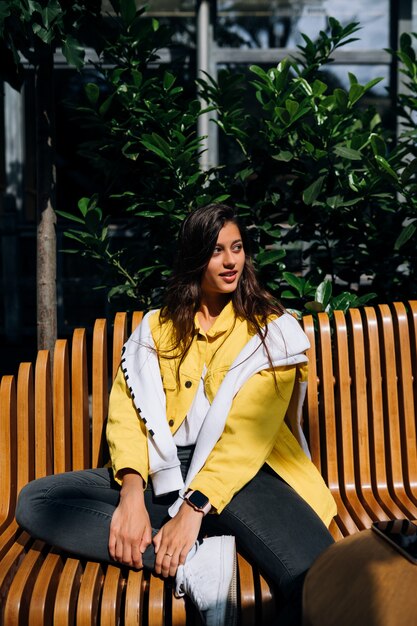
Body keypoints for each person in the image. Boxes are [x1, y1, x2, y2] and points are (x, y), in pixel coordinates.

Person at [16, 203, 337, 626]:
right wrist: (131, 493)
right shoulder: (156, 329)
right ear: (193, 256)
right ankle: (199, 562)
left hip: (244, 473)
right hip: (165, 473)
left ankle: (196, 536)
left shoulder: (270, 331)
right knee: (39, 500)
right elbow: (127, 413)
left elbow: (246, 437)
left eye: (237, 248)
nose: (230, 261)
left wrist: (193, 510)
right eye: (217, 250)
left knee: (316, 578)